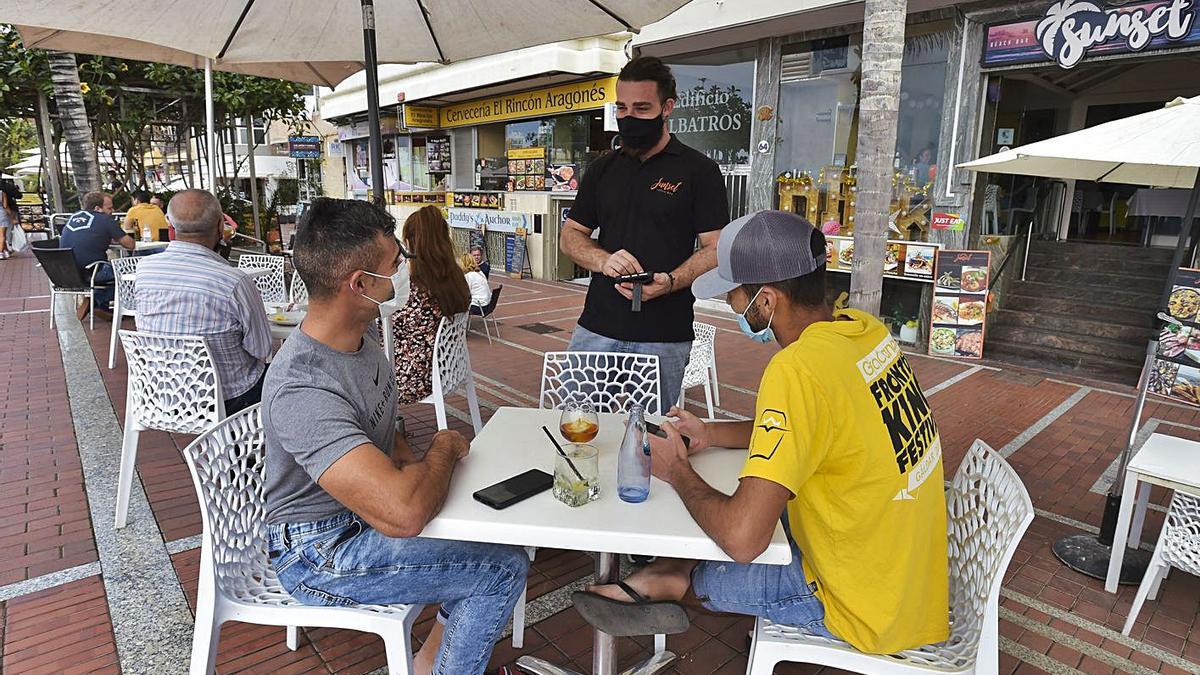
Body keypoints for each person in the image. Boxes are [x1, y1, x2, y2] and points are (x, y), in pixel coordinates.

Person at [572, 210, 950, 656]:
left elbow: (744, 539)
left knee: (714, 542)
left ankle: (670, 583)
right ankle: (664, 571)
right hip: (904, 575)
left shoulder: (798, 370)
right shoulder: (863, 333)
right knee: (725, 516)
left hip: (857, 599)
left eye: (734, 293)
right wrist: (710, 434)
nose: (732, 306)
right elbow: (816, 428)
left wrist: (676, 470)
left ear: (766, 301)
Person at [264, 198, 528, 675]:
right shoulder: (303, 384)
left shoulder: (360, 343)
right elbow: (403, 514)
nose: (405, 271)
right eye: (395, 264)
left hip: (358, 517)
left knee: (492, 534)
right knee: (499, 569)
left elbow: (394, 439)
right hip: (318, 552)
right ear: (361, 285)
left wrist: (421, 475)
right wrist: (444, 449)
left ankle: (428, 665)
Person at [560, 56, 728, 413]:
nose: (629, 118)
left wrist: (670, 281)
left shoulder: (700, 171)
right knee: (579, 432)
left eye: (641, 107)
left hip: (663, 335)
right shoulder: (602, 169)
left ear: (667, 108)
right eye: (621, 107)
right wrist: (603, 259)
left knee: (648, 443)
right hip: (597, 328)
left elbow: (715, 248)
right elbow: (571, 236)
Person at [134, 189, 272, 415]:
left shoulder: (145, 270)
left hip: (161, 395)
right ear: (221, 227)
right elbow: (262, 348)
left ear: (170, 225)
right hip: (228, 398)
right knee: (291, 376)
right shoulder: (234, 281)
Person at [388, 206, 471, 405]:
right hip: (450, 370)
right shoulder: (457, 280)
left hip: (415, 380)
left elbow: (384, 329)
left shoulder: (414, 290)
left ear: (409, 244)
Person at [60, 191, 134, 316]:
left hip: (67, 273)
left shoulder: (74, 216)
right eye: (109, 208)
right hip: (92, 272)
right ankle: (97, 301)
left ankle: (100, 306)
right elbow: (130, 245)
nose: (113, 211)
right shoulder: (105, 219)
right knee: (127, 272)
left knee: (111, 270)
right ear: (97, 208)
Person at [0, 179, 19, 260]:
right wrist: (12, 218)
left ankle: (5, 251)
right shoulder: (2, 192)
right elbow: (5, 206)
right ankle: (2, 252)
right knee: (2, 235)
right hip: (2, 214)